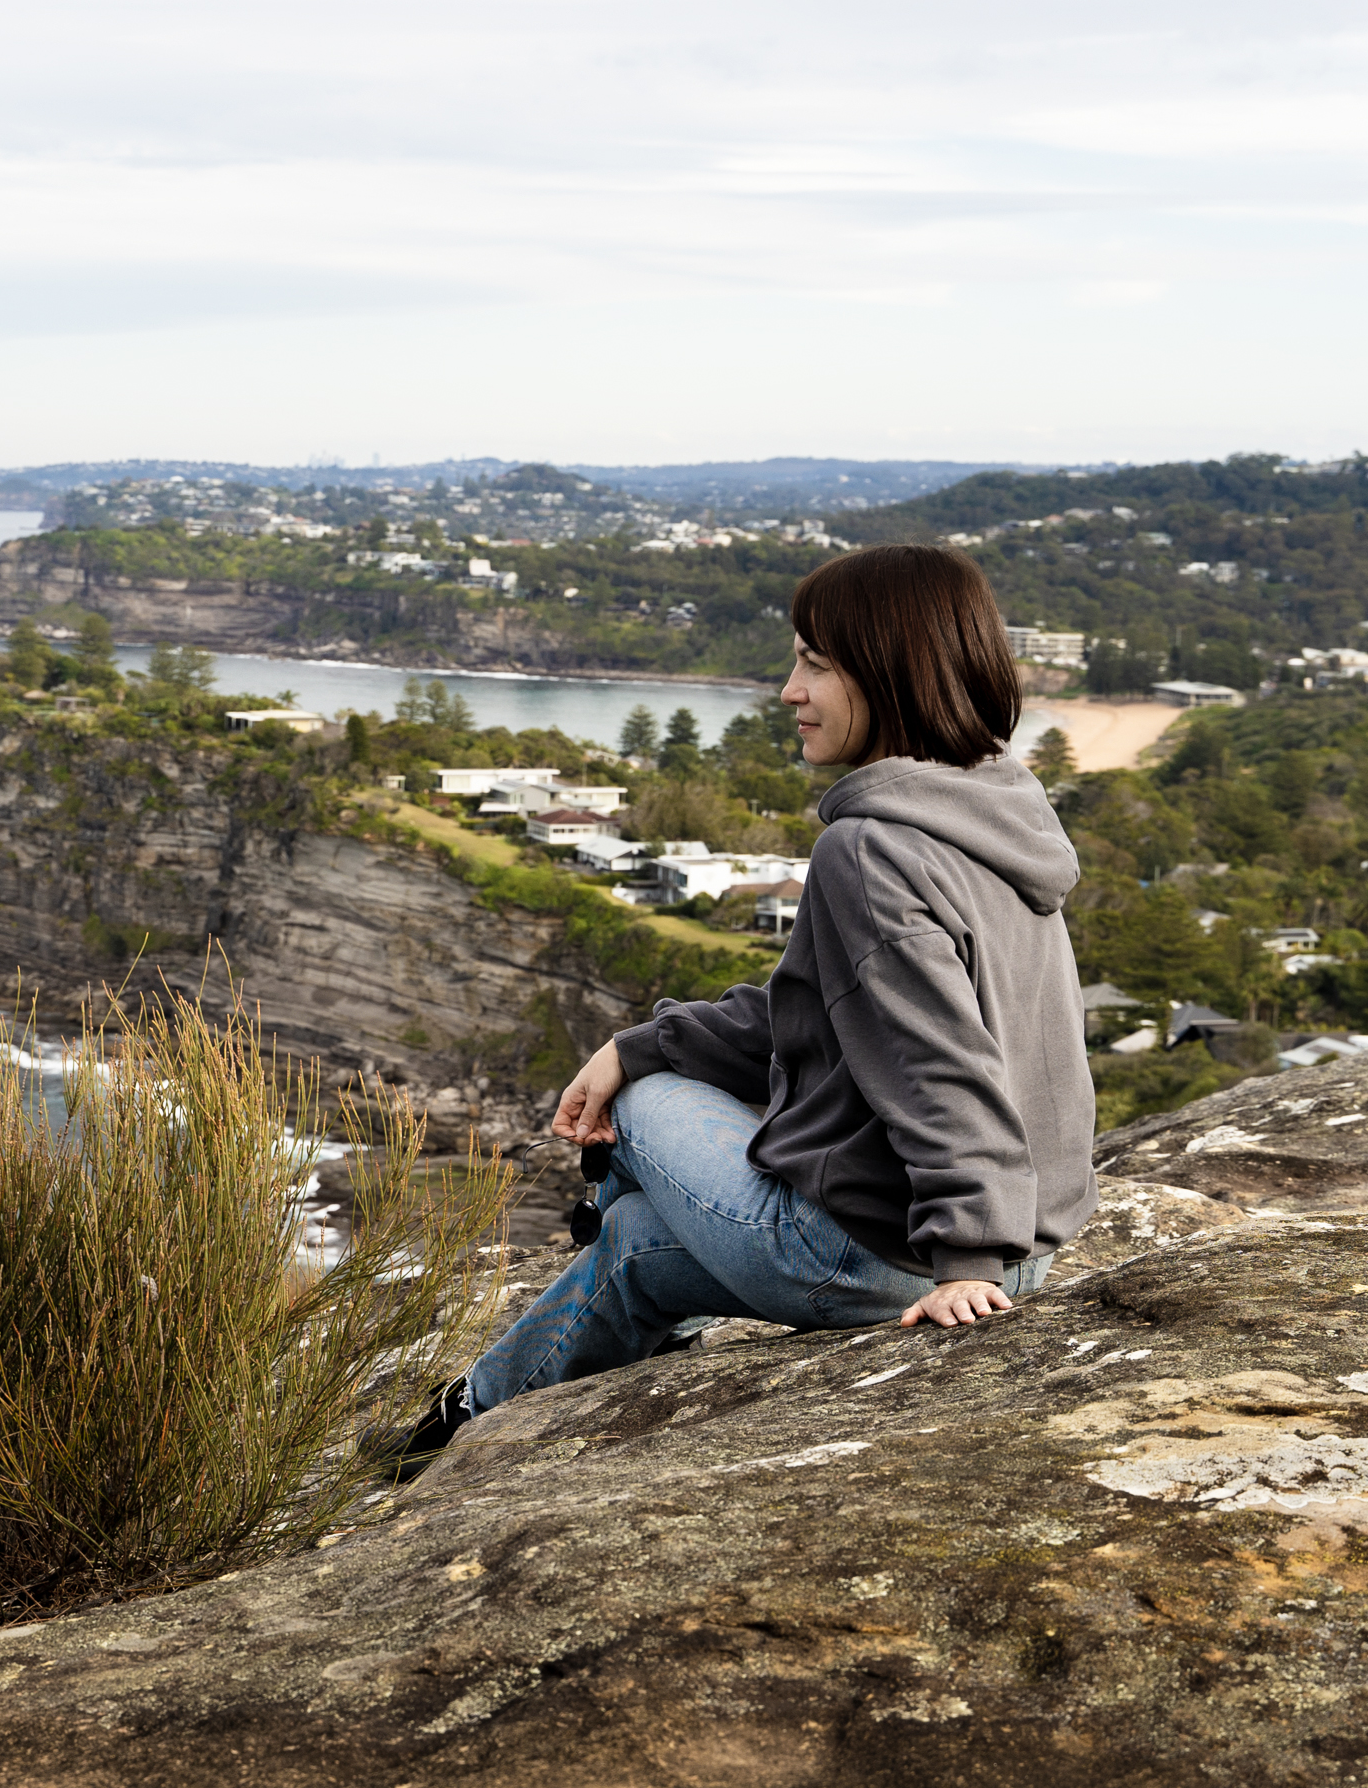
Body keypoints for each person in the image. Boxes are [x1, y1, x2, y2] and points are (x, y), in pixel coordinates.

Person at [369, 542, 1097, 1471]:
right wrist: (642, 1039)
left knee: (632, 1105)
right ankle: (459, 1425)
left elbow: (940, 1063)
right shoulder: (996, 805)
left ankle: (604, 1238)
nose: (789, 689)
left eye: (815, 664)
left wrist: (969, 1258)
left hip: (896, 1255)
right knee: (636, 1245)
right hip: (1030, 1247)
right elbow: (816, 1007)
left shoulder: (869, 849)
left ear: (890, 669)